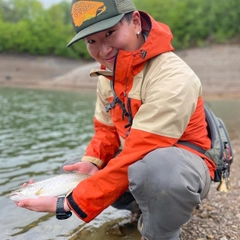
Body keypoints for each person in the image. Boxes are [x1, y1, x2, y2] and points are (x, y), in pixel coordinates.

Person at [15, 0, 216, 239]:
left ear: (136, 22)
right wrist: (94, 161)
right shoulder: (107, 74)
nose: (104, 50)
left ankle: (162, 230)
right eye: (91, 41)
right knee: (72, 168)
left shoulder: (173, 76)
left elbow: (142, 151)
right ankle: (142, 208)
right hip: (139, 160)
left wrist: (68, 204)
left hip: (177, 166)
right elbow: (106, 131)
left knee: (157, 171)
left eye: (110, 33)